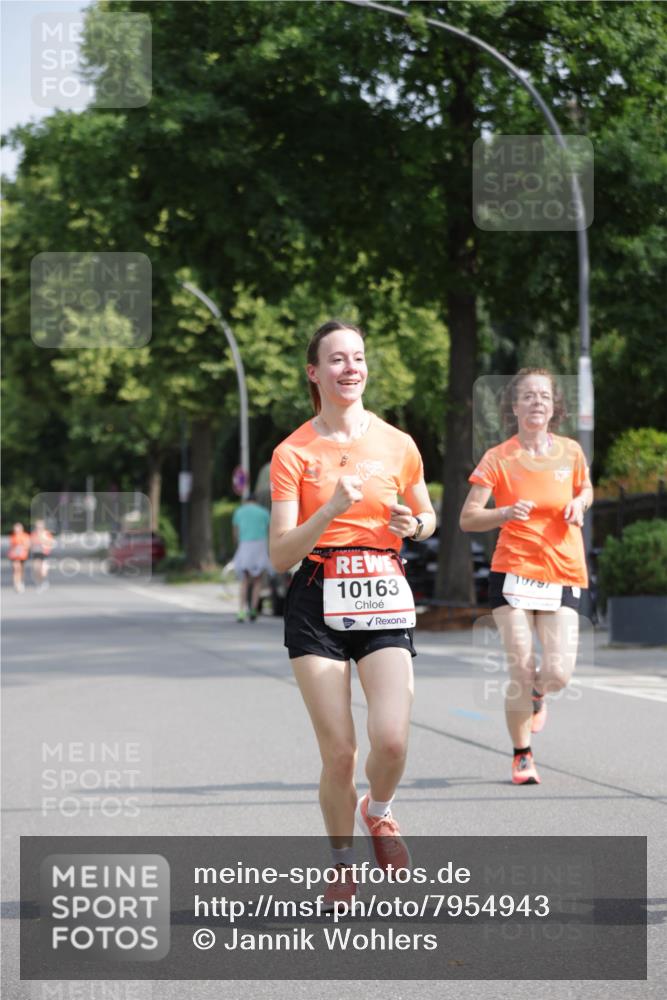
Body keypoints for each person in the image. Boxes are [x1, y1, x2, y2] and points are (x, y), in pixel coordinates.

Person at [269, 320, 435, 907]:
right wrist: (328, 511)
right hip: (317, 596)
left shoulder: (398, 443)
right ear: (314, 372)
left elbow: (426, 515)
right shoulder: (292, 452)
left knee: (390, 740)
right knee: (339, 753)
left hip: (383, 592)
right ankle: (342, 864)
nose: (350, 368)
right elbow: (280, 553)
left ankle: (379, 810)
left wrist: (415, 524)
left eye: (358, 357)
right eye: (337, 359)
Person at [460, 368, 592, 786]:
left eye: (545, 396)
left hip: (562, 570)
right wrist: (503, 512)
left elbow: (585, 489)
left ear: (554, 408)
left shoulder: (571, 451)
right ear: (514, 406)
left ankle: (539, 694)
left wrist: (580, 504)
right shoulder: (498, 457)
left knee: (559, 674)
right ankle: (522, 754)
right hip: (513, 572)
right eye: (529, 396)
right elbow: (468, 518)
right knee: (521, 668)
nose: (537, 402)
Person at [232, 494, 272, 622]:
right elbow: (269, 531)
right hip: (260, 546)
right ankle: (254, 609)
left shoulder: (239, 512)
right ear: (256, 501)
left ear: (246, 501)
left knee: (244, 580)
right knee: (257, 580)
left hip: (245, 546)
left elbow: (235, 533)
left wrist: (238, 545)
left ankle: (241, 611)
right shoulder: (264, 512)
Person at [30, 519, 55, 590]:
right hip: (36, 553)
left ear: (43, 527)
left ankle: (43, 581)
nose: (39, 528)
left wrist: (42, 540)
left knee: (43, 571)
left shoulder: (47, 534)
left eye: (40, 526)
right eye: (37, 526)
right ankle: (39, 583)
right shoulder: (34, 534)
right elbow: (30, 543)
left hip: (45, 553)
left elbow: (51, 543)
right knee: (36, 568)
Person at [8, 523, 31, 593]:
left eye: (18, 528)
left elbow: (28, 545)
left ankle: (21, 582)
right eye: (15, 529)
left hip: (22, 556)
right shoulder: (13, 536)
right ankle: (16, 584)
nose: (17, 530)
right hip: (14, 556)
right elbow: (11, 546)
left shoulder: (25, 536)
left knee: (21, 569)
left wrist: (22, 547)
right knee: (16, 569)